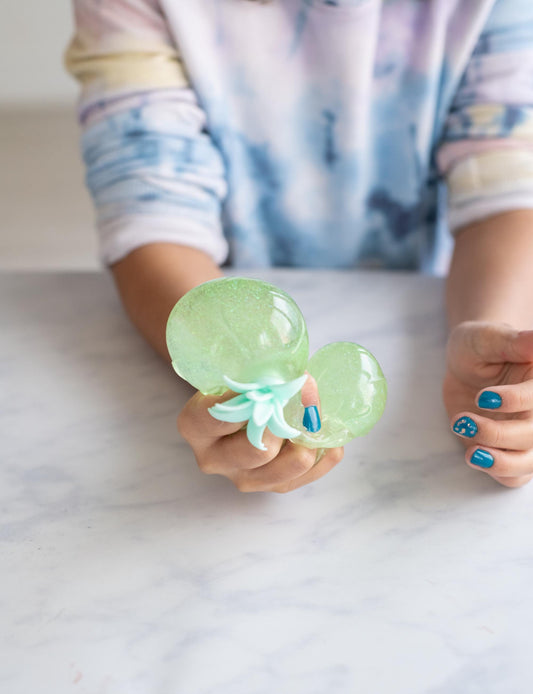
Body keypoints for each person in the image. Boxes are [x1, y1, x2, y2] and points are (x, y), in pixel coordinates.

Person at [65, 0, 533, 492]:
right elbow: (152, 205)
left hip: (430, 291)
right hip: (216, 284)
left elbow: (506, 174)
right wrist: (237, 381)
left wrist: (497, 346)